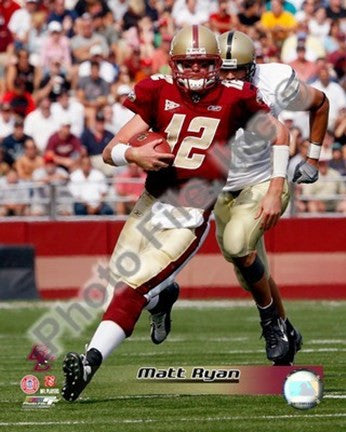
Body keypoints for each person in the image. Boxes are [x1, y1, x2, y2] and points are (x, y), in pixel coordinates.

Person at [61, 24, 289, 402]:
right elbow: (110, 150)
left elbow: (279, 134)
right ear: (174, 64)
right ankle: (163, 297)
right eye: (188, 64)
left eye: (203, 65)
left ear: (217, 65)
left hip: (191, 212)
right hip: (150, 204)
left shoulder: (235, 96)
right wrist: (132, 153)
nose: (196, 73)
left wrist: (276, 187)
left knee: (131, 291)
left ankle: (89, 361)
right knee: (118, 291)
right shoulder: (157, 90)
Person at [212, 30, 329, 365]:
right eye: (225, 70)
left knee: (239, 247)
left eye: (239, 70)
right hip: (221, 187)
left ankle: (272, 326)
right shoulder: (201, 86)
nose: (231, 77)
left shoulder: (275, 82)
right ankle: (286, 327)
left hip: (264, 182)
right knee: (248, 270)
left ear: (253, 66)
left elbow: (320, 103)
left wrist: (313, 158)